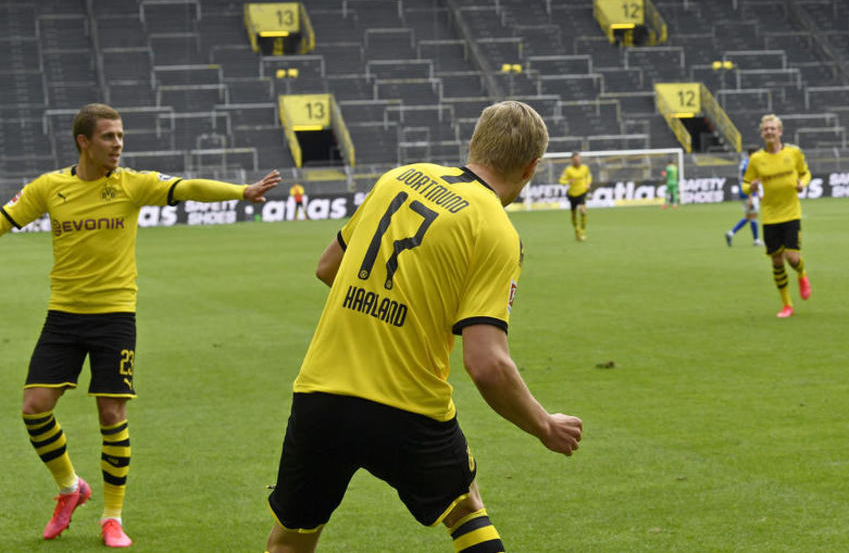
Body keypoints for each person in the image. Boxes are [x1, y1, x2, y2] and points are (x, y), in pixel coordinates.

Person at [265, 100, 583, 553]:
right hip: (406, 404)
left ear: (474, 143)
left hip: (322, 393)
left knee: (290, 541)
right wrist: (544, 426)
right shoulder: (495, 227)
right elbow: (487, 363)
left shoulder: (399, 177)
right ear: (531, 168)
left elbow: (328, 267)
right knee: (465, 509)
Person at [1, 104, 281, 548]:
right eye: (109, 137)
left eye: (120, 136)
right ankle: (71, 488)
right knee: (34, 407)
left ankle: (112, 517)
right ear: (84, 142)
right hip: (64, 316)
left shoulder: (130, 185)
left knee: (111, 413)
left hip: (115, 316)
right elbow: (4, 219)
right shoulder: (49, 188)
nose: (118, 144)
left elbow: (186, 187)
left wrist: (240, 191)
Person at [742, 114, 812, 319]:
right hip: (770, 216)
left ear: (780, 131)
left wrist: (802, 184)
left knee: (792, 258)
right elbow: (745, 185)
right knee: (777, 261)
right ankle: (787, 304)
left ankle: (801, 273)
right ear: (762, 133)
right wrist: (751, 187)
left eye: (773, 128)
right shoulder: (756, 159)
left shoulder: (794, 153)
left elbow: (806, 173)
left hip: (791, 213)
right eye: (766, 129)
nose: (769, 132)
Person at [726, 147, 763, 247]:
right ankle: (756, 240)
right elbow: (750, 182)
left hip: (742, 192)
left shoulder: (744, 163)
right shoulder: (750, 165)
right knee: (753, 216)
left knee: (748, 217)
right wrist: (752, 197)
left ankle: (731, 233)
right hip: (749, 193)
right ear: (751, 154)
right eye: (756, 154)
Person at [558, 152, 592, 241]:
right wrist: (568, 181)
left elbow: (589, 176)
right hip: (572, 194)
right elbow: (561, 180)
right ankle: (577, 230)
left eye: (578, 158)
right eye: (575, 159)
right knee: (573, 215)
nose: (577, 160)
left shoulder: (585, 168)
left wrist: (588, 183)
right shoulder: (568, 170)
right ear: (572, 160)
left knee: (583, 211)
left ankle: (583, 231)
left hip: (582, 192)